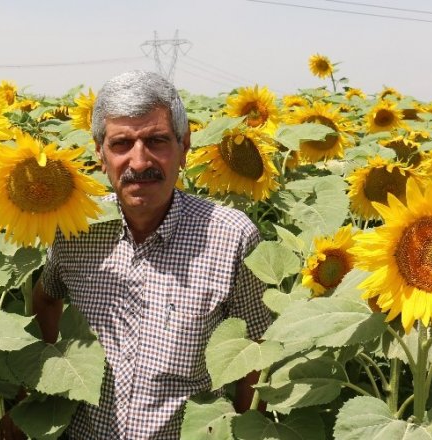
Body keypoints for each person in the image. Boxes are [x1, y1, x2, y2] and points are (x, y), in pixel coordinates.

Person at [30, 71, 272, 439]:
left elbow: (255, 349)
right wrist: (35, 392)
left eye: (157, 140)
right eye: (121, 144)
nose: (139, 161)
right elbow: (46, 297)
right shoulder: (77, 229)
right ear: (99, 153)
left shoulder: (230, 237)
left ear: (184, 146)